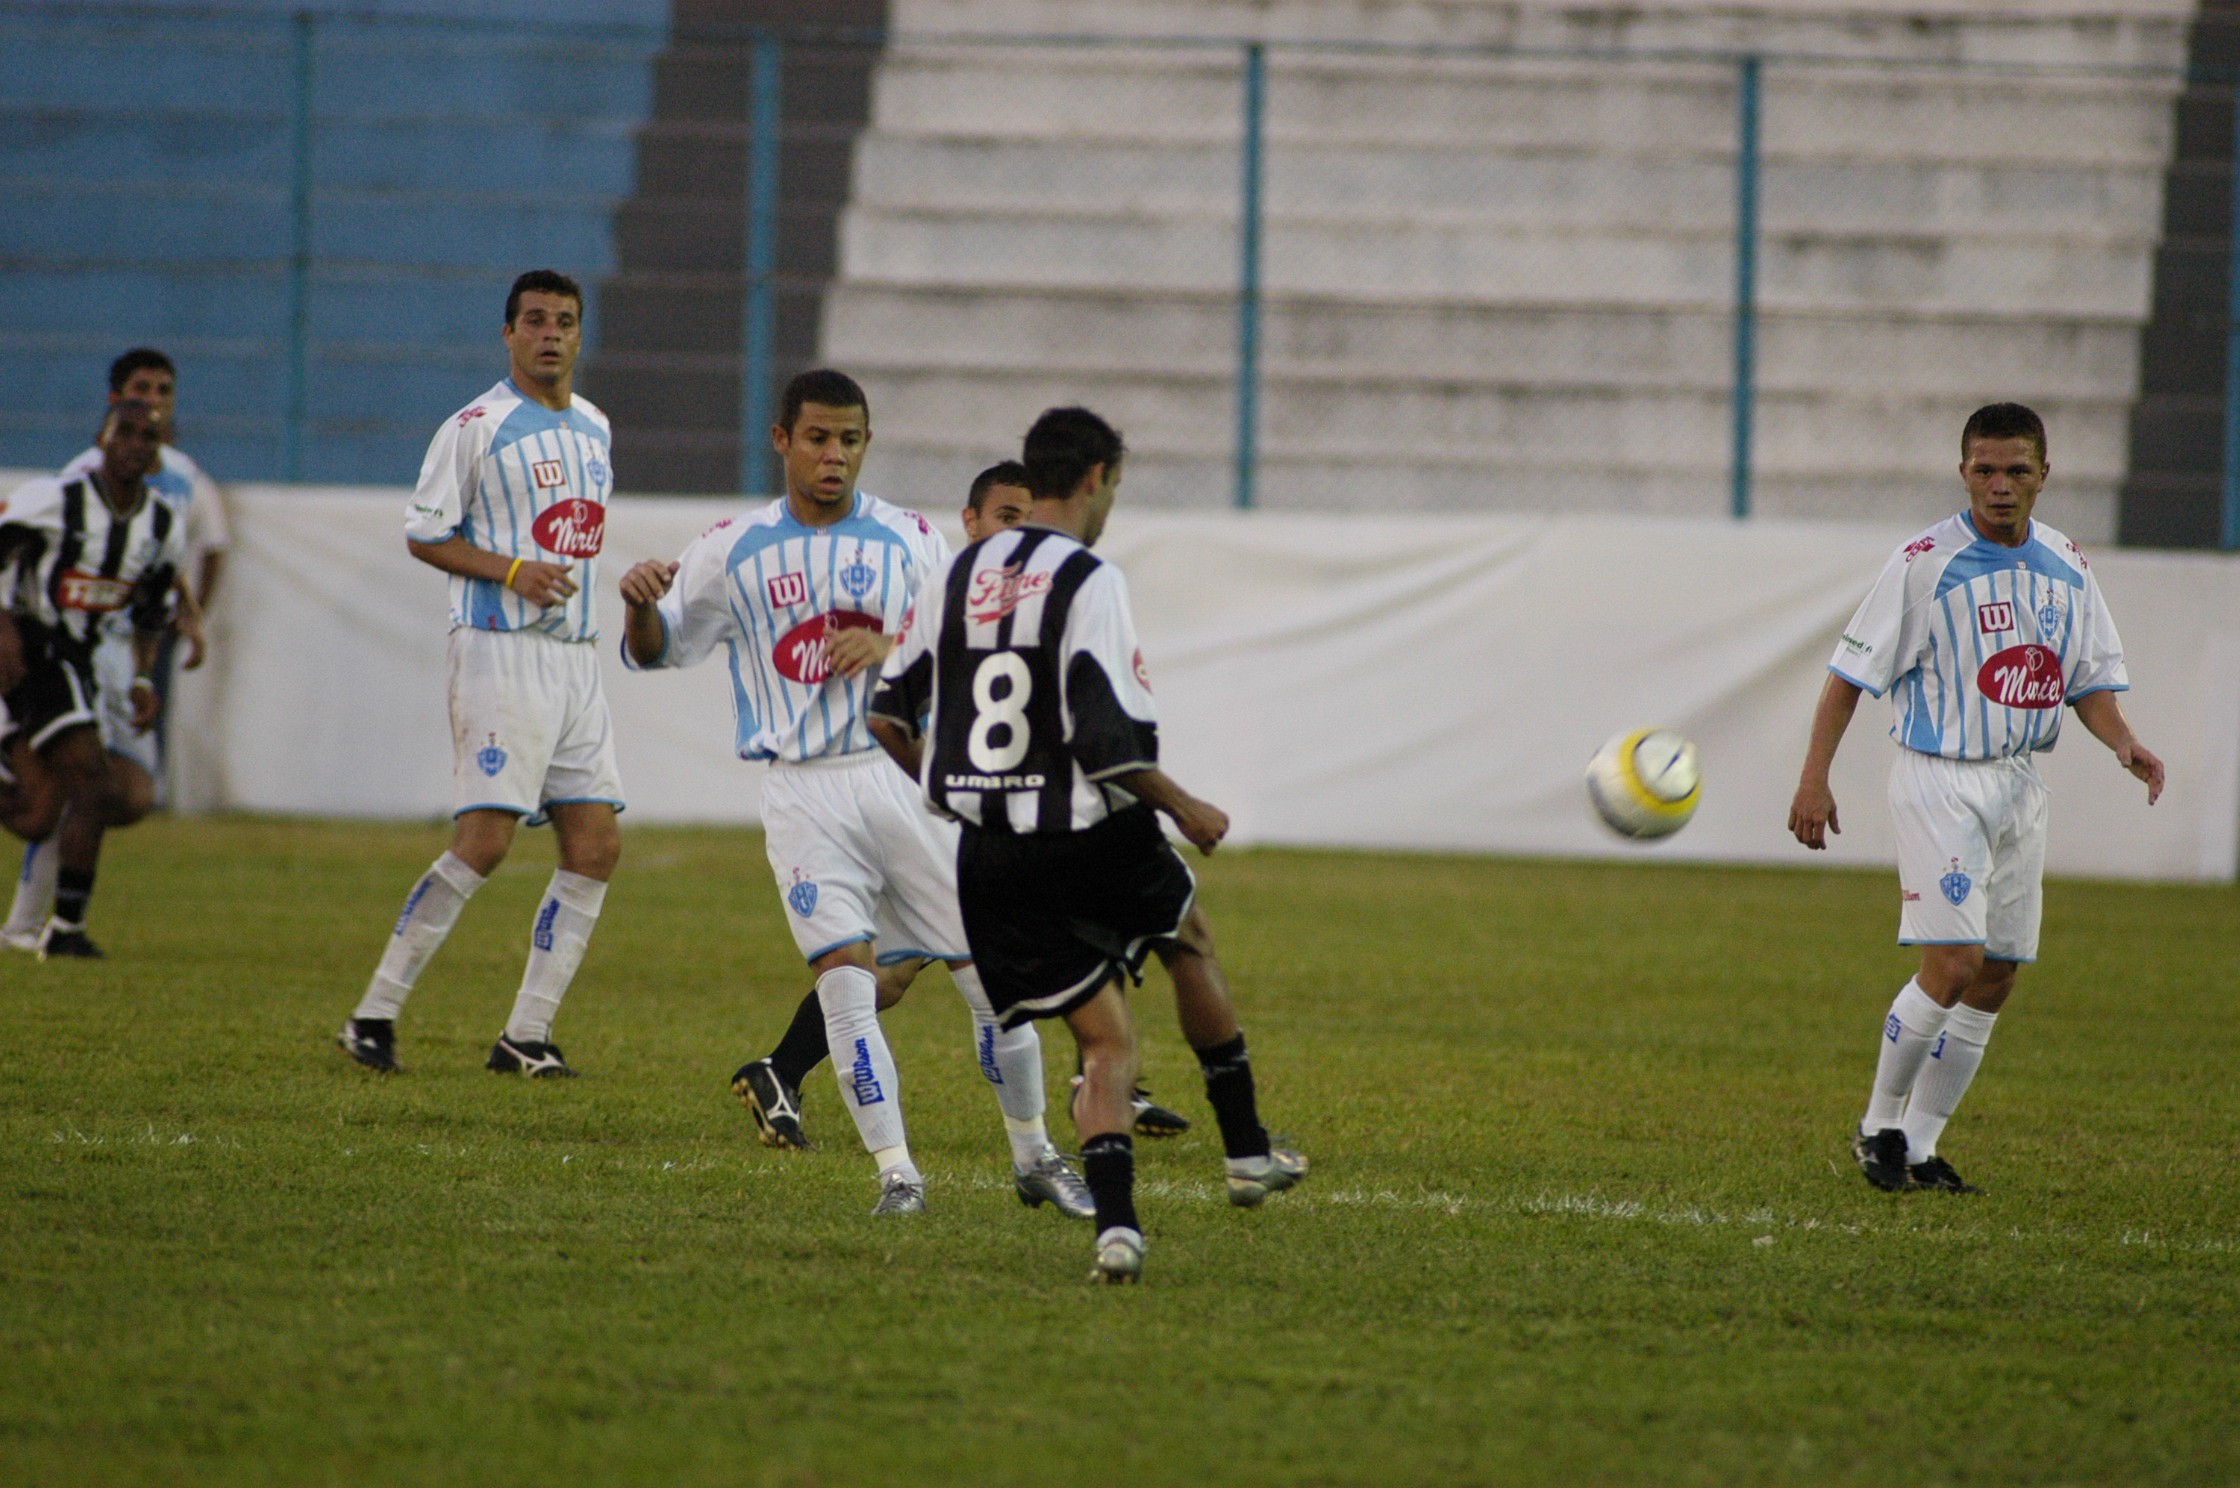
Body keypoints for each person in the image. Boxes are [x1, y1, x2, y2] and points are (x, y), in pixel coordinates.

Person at [618, 372, 1092, 1220]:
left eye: (850, 440)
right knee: (847, 981)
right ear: (781, 440)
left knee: (991, 981)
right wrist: (639, 609)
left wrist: (892, 643)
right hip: (802, 794)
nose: (834, 456)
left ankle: (1035, 1154)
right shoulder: (731, 549)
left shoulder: (909, 540)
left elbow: (971, 646)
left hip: (903, 779)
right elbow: (658, 653)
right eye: (818, 438)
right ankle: (897, 1175)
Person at [869, 406, 1306, 1284]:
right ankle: (1247, 1151)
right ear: (1098, 478)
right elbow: (1109, 744)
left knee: (1104, 1042)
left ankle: (1118, 1230)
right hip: (1088, 832)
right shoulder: (1088, 579)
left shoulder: (953, 578)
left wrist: (947, 786)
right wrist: (1186, 807)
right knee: (1188, 937)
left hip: (989, 854)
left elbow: (886, 712)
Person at [732, 459, 1193, 1146]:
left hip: (954, 797)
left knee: (901, 966)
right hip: (921, 796)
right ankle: (1088, 1082)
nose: (1022, 530)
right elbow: (929, 667)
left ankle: (782, 1067)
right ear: (970, 522)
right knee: (998, 940)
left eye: (1031, 517)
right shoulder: (951, 583)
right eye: (1007, 516)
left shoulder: (1025, 593)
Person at [1789, 402, 2164, 1194]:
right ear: (1963, 472)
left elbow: (2086, 680)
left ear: (2044, 476)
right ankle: (1878, 1125)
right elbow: (1848, 678)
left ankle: (1921, 1146)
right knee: (1953, 963)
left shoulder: (2067, 565)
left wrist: (2122, 739)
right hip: (1941, 776)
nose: (2000, 486)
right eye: (1985, 470)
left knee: (1996, 974)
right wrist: (1814, 777)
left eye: (2017, 471)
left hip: (2021, 782)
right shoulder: (1924, 561)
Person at [335, 269, 622, 1078]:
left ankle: (523, 1037)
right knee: (486, 841)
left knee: (596, 846)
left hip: (576, 658)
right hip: (500, 647)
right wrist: (511, 571)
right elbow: (426, 534)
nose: (551, 334)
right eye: (535, 320)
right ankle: (373, 1015)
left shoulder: (596, 426)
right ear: (508, 333)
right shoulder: (474, 426)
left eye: (565, 321)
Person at [5, 348, 224, 948]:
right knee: (81, 782)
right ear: (103, 432)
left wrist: (146, 675)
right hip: (42, 652)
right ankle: (52, 927)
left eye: (160, 398)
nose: (138, 431)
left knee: (114, 798)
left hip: (110, 655)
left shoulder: (164, 512)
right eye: (126, 423)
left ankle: (51, 925)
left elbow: (160, 592)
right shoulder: (65, 489)